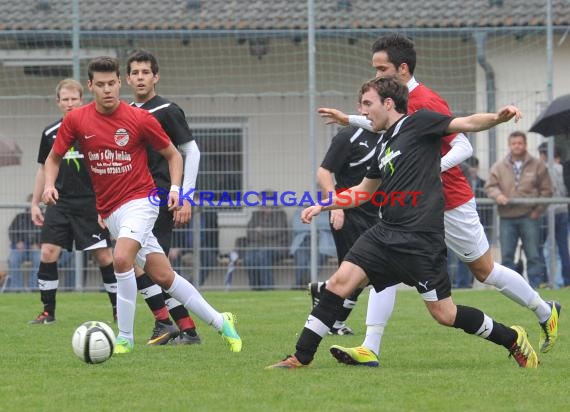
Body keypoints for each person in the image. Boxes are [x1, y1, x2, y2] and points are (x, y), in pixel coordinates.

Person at [310, 34, 560, 367]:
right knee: (379, 266)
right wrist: (350, 119)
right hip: (413, 204)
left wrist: (428, 170)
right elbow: (390, 124)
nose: (376, 75)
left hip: (449, 201)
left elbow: (464, 147)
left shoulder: (427, 100)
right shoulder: (391, 101)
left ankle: (545, 311)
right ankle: (370, 346)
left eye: (381, 68)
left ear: (401, 68)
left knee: (485, 271)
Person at [267, 77, 539, 370]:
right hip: (384, 234)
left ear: (388, 103)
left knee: (444, 314)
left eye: (368, 104)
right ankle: (300, 357)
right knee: (338, 282)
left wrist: (498, 118)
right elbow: (363, 191)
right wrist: (324, 204)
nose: (364, 111)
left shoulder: (419, 122)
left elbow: (467, 123)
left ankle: (511, 338)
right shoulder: (384, 143)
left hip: (421, 240)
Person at [42, 56, 241, 354]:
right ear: (90, 85)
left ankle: (124, 337)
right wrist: (48, 184)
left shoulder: (140, 118)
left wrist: (177, 190)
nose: (107, 89)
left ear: (119, 83)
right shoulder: (76, 120)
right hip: (110, 211)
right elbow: (54, 157)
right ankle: (220, 321)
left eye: (112, 83)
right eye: (101, 84)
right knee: (163, 276)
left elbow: (175, 154)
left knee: (121, 259)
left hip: (142, 201)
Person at [126, 49, 201, 345]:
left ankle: (172, 325)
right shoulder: (127, 113)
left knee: (146, 265)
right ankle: (181, 327)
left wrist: (185, 195)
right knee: (143, 265)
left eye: (146, 72)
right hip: (131, 199)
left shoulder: (167, 110)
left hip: (159, 197)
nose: (140, 77)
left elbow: (190, 151)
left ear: (155, 77)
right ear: (127, 79)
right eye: (135, 72)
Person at [29, 78, 117, 324]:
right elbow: (42, 169)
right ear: (58, 103)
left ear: (82, 100)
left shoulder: (96, 128)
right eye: (65, 100)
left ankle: (117, 308)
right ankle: (48, 312)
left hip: (91, 204)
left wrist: (108, 201)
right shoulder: (49, 133)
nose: (69, 104)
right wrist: (35, 202)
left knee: (104, 257)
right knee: (47, 252)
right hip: (59, 202)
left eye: (74, 99)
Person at [309, 110, 382, 333]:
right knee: (361, 271)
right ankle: (333, 320)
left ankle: (325, 293)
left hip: (376, 214)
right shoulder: (348, 135)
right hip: (348, 212)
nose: (367, 110)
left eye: (372, 103)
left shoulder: (389, 134)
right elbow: (323, 172)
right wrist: (336, 205)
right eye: (364, 104)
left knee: (365, 274)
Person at [485, 131, 552, 289]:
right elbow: (490, 186)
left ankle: (536, 288)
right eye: (514, 143)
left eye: (520, 143)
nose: (517, 146)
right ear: (509, 145)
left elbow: (547, 191)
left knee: (533, 255)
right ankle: (511, 289)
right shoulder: (499, 166)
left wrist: (538, 210)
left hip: (530, 216)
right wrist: (498, 195)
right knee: (507, 256)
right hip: (506, 217)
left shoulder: (538, 165)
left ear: (525, 144)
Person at [537, 142, 570, 287]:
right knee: (563, 247)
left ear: (545, 155)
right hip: (562, 209)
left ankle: (543, 278)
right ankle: (567, 280)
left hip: (547, 210)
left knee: (539, 245)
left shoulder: (543, 169)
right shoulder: (564, 168)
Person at [244, 190, 289, 290]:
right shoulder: (256, 214)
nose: (262, 202)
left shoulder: (280, 214)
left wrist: (261, 231)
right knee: (248, 258)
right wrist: (266, 233)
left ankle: (267, 289)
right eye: (260, 200)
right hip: (256, 247)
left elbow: (278, 231)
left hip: (276, 247)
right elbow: (250, 233)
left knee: (263, 255)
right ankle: (255, 289)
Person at [289, 206, 336, 289]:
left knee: (319, 258)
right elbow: (296, 226)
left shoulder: (326, 208)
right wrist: (317, 225)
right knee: (301, 259)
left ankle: (308, 282)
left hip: (322, 241)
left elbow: (329, 225)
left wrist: (310, 224)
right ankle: (299, 284)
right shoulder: (300, 210)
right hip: (304, 239)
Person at [7, 194, 40, 291]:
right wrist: (17, 242)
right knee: (13, 259)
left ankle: (33, 287)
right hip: (20, 248)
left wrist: (38, 244)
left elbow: (47, 233)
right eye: (30, 203)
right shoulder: (19, 217)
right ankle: (17, 288)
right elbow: (11, 231)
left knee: (39, 259)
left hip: (36, 249)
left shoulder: (43, 217)